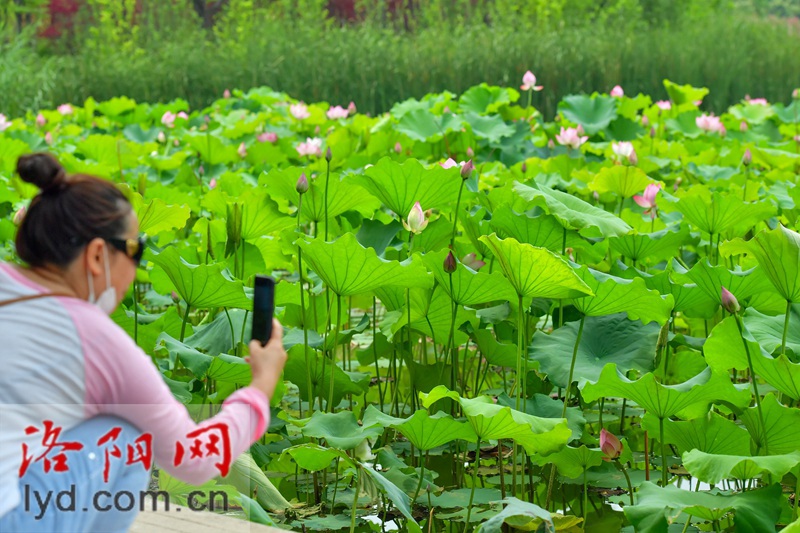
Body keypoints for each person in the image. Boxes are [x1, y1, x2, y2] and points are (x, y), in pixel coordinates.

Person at [0, 153, 288, 532]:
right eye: (136, 249)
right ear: (98, 254)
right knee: (126, 438)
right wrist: (260, 388)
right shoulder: (94, 338)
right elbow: (194, 458)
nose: (136, 266)